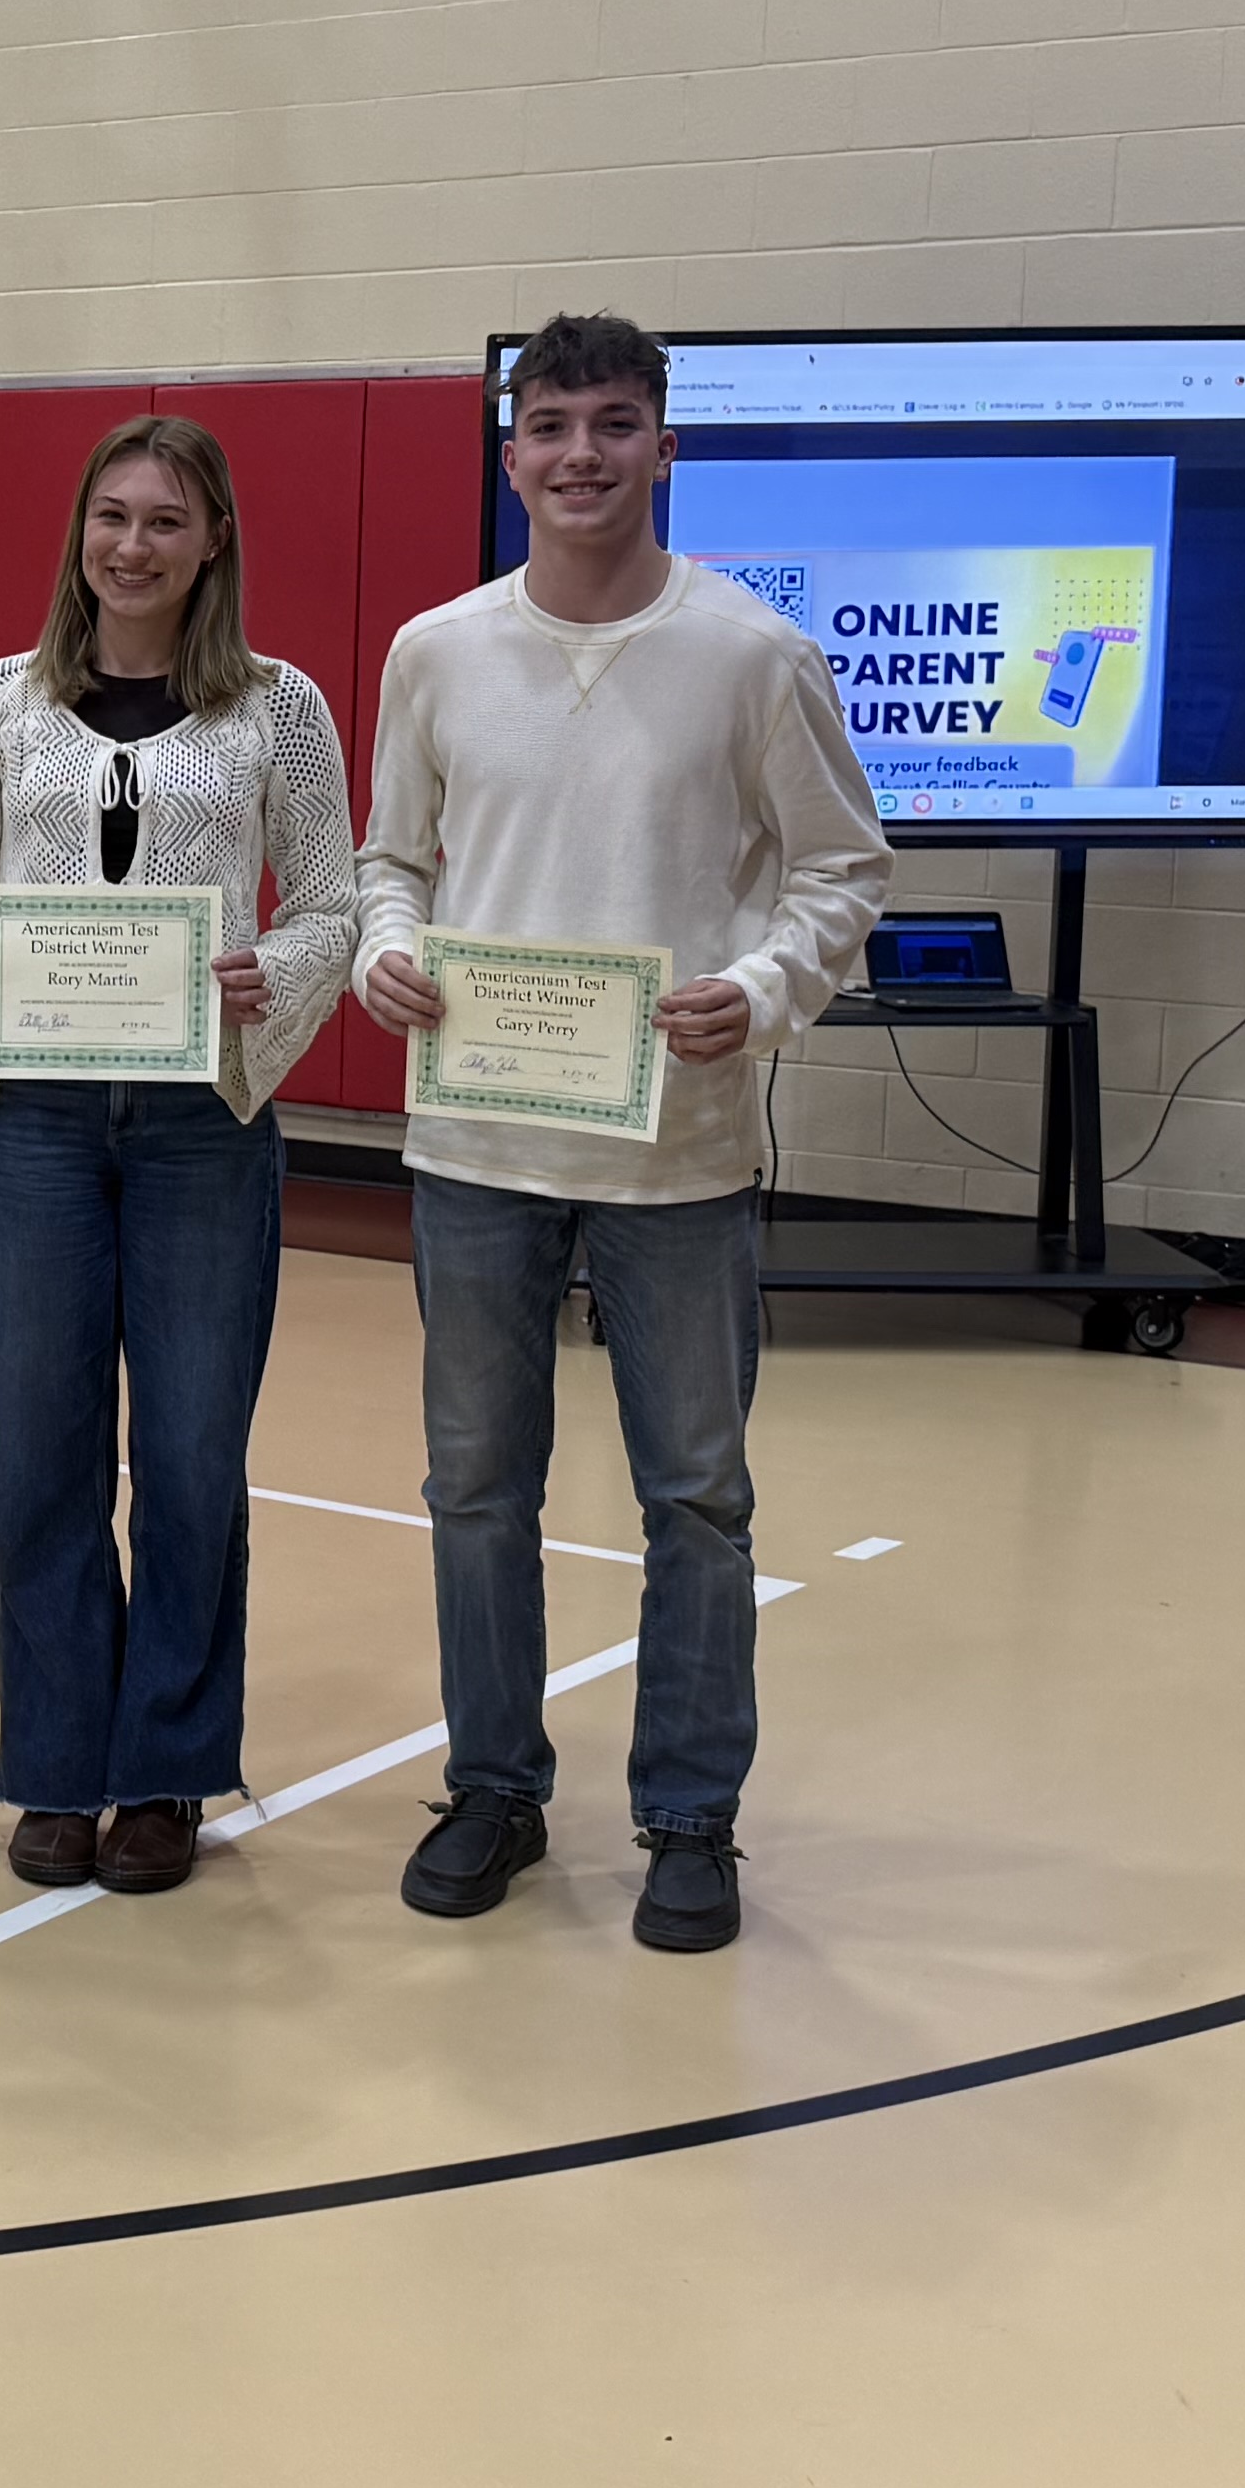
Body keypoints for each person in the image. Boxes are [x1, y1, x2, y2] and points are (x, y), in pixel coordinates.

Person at [353, 312, 889, 1956]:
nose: (577, 452)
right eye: (548, 425)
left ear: (664, 447)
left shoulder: (748, 651)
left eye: (610, 422)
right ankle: (495, 1785)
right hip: (474, 1149)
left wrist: (762, 983)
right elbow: (399, 862)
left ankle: (687, 1816)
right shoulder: (435, 649)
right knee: (471, 1488)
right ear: (508, 455)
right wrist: (384, 950)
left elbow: (840, 869)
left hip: (676, 1150)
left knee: (696, 1499)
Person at [0, 413, 356, 1897]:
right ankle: (52, 1768)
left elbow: (333, 910)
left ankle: (162, 1769)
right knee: (39, 1456)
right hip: (32, 1120)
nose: (134, 545)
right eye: (112, 517)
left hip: (198, 1129)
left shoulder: (278, 710)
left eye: (168, 520)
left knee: (187, 1460)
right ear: (78, 534)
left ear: (215, 538)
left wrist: (265, 986)